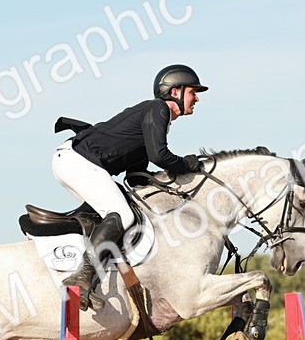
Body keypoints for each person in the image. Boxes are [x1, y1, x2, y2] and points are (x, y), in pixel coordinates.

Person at [52, 64, 208, 311]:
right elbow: (160, 155)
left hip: (74, 162)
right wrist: (186, 164)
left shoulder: (154, 116)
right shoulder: (158, 109)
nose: (197, 98)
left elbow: (137, 175)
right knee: (121, 215)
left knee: (113, 214)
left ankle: (88, 277)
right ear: (175, 91)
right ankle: (81, 278)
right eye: (193, 92)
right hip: (78, 162)